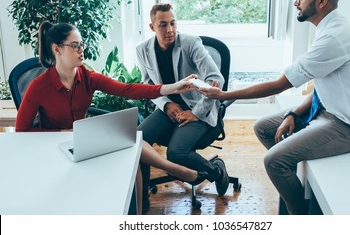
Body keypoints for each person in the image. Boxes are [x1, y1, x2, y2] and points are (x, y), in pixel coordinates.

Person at [197, 0, 350, 214]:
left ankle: (300, 218)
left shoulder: (335, 37)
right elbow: (325, 89)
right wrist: (293, 112)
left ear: (322, 0)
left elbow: (280, 85)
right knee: (264, 127)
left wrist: (224, 96)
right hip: (328, 111)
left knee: (274, 160)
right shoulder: (330, 28)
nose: (296, 2)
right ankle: (292, 186)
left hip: (349, 128)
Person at [15, 21, 208, 215]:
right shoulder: (38, 87)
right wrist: (60, 132)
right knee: (132, 145)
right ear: (57, 49)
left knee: (133, 152)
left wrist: (174, 86)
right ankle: (177, 170)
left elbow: (127, 89)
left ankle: (136, 219)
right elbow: (21, 132)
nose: (81, 50)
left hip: (82, 143)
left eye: (82, 44)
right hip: (54, 148)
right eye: (75, 46)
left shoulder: (88, 77)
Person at [136, 3, 230, 211]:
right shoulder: (142, 50)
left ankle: (215, 171)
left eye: (173, 23)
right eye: (163, 25)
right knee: (137, 142)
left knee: (176, 154)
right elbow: (148, 84)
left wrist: (196, 113)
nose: (169, 30)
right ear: (152, 27)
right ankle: (141, 202)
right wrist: (166, 103)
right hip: (168, 109)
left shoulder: (190, 43)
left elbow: (216, 79)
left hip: (197, 108)